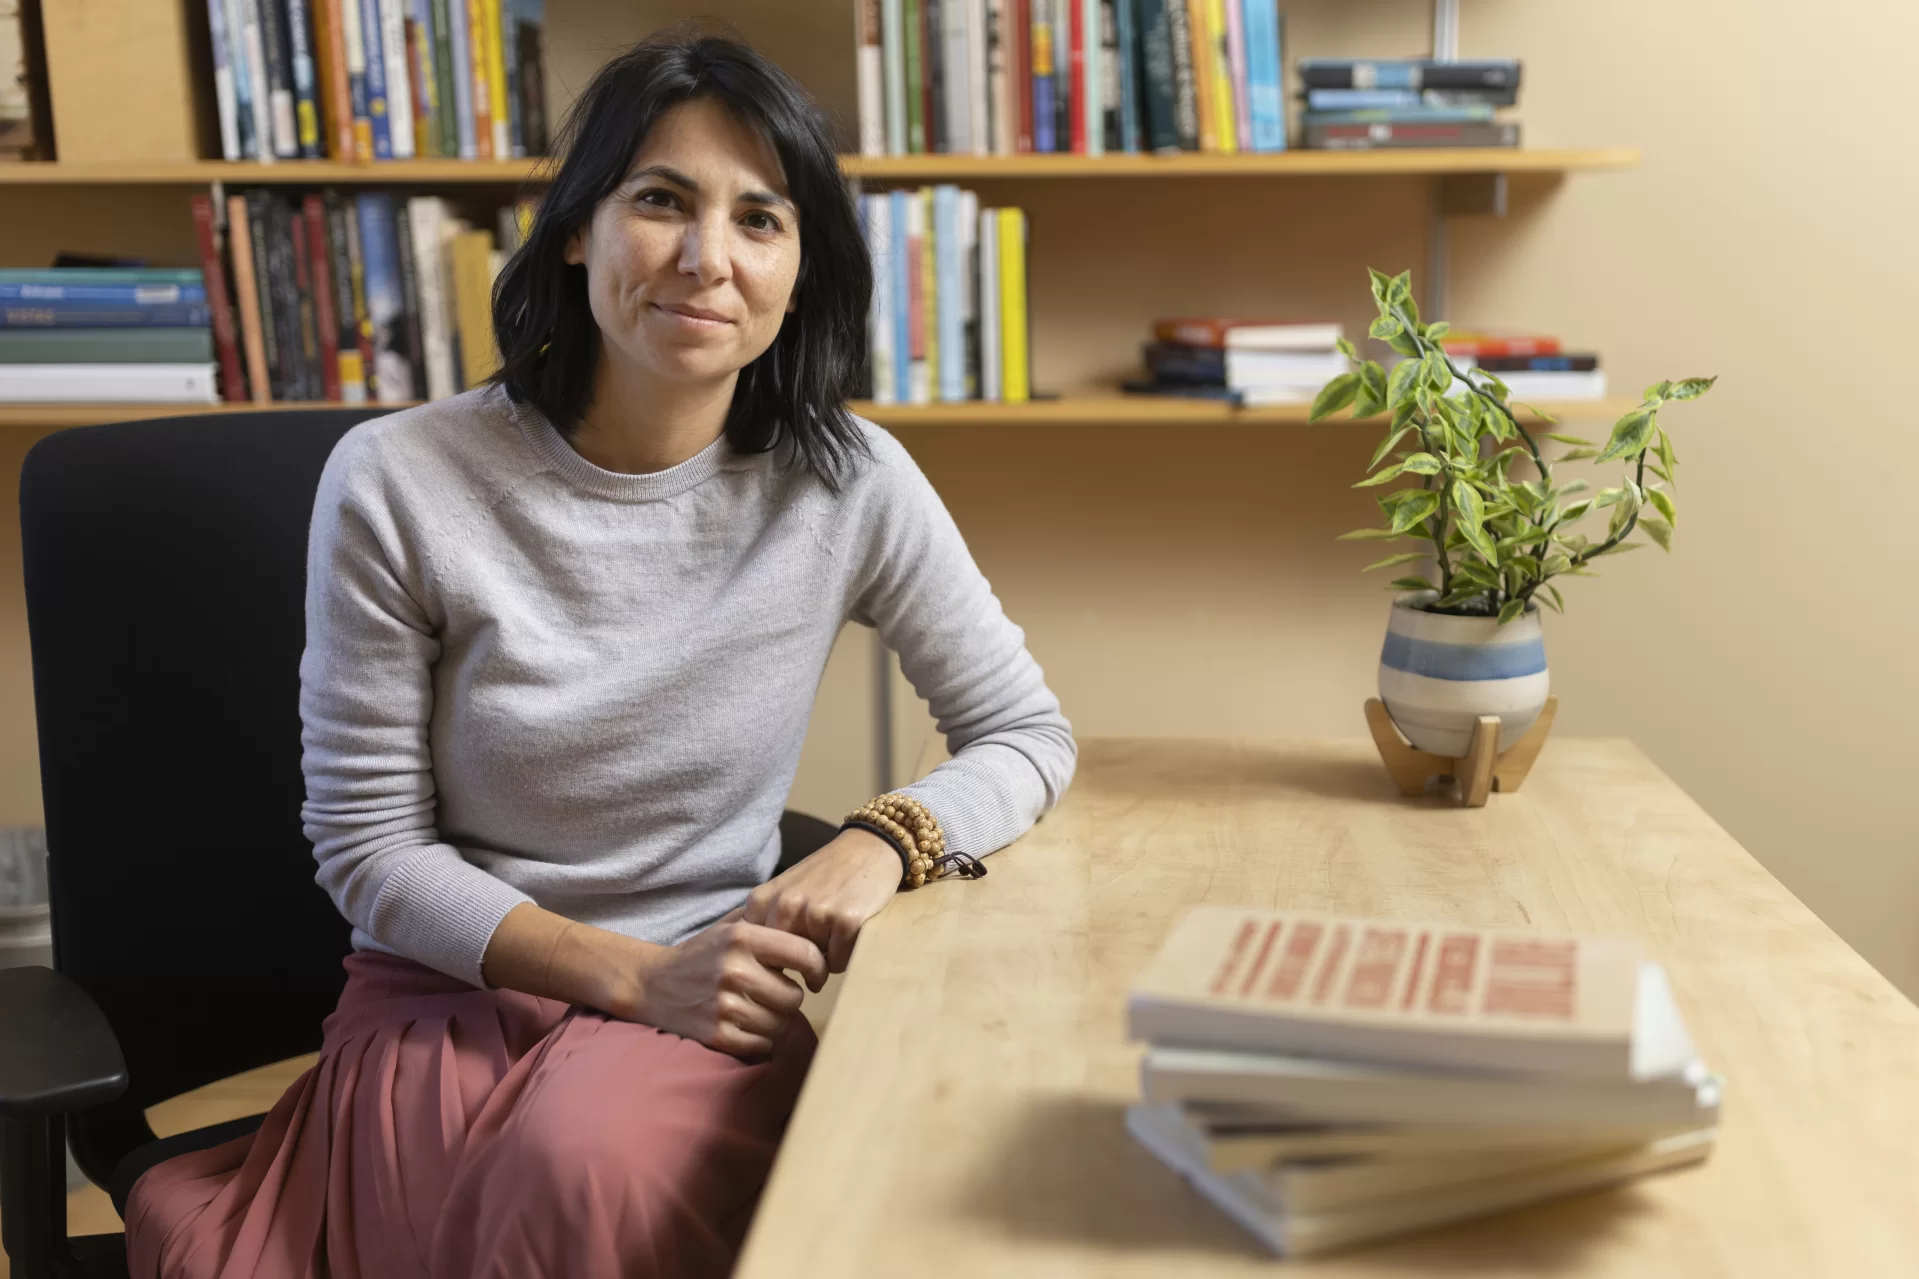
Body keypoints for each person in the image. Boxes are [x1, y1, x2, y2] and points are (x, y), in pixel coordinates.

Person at [125, 29, 1075, 1279]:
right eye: (660, 201)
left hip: (711, 991)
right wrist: (634, 978)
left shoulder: (845, 480)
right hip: (450, 990)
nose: (706, 260)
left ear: (798, 269)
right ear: (576, 229)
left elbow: (1025, 733)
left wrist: (878, 842)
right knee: (513, 1199)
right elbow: (368, 851)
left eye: (759, 221)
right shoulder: (401, 478)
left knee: (580, 1176)